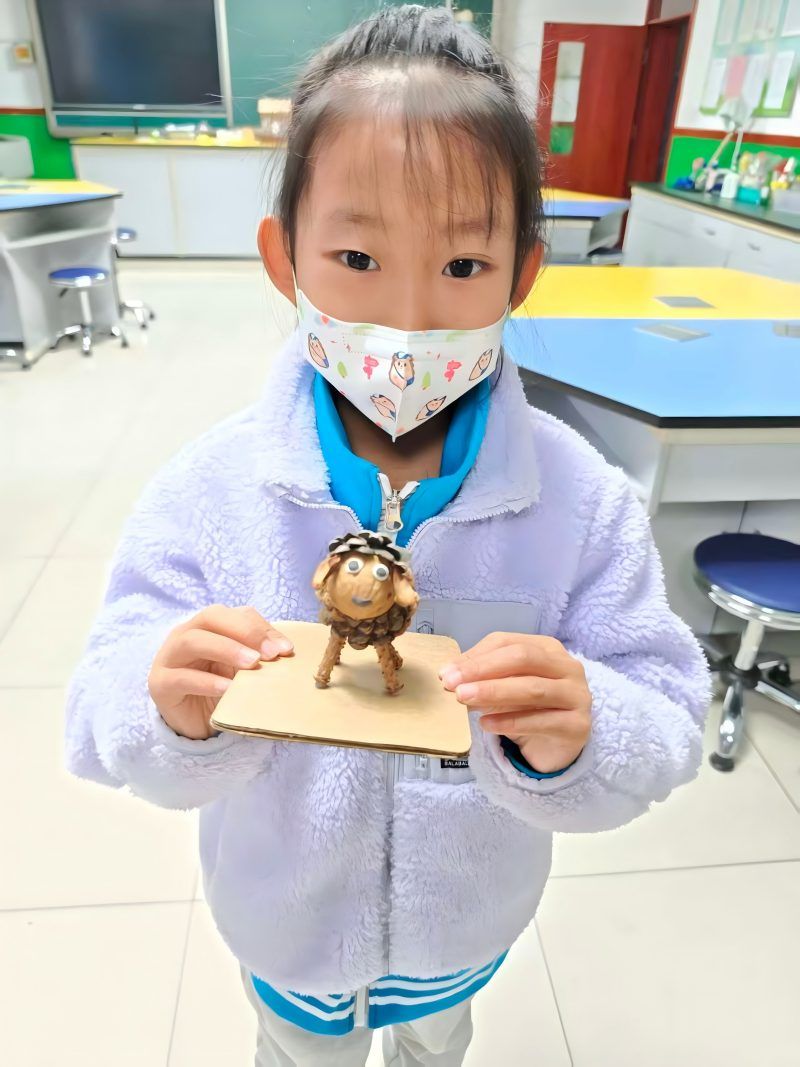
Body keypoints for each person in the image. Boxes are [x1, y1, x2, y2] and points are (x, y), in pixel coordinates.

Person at [65, 6, 710, 1065]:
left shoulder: (579, 500)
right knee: (296, 1050)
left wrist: (589, 726)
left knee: (435, 1044)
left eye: (462, 266)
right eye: (357, 255)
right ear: (284, 259)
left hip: (463, 926)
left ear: (522, 273)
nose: (408, 317)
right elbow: (101, 700)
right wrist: (161, 700)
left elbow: (667, 705)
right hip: (285, 927)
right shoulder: (211, 488)